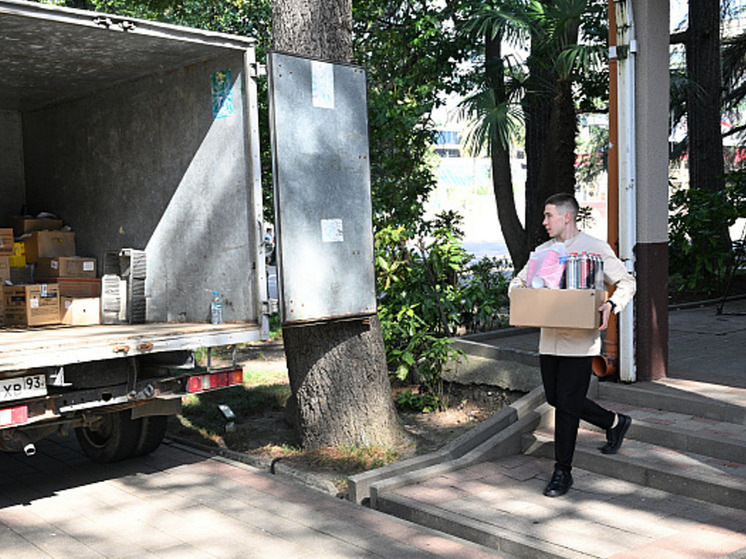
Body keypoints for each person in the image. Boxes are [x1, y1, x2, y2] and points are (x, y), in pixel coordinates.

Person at [509, 193, 636, 497]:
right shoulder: (541, 252)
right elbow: (517, 284)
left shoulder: (595, 248)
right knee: (556, 398)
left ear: (567, 217)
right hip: (549, 341)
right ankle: (614, 422)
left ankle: (562, 473)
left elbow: (627, 282)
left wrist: (612, 305)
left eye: (548, 215)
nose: (544, 222)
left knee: (566, 406)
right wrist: (524, 295)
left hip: (580, 344)